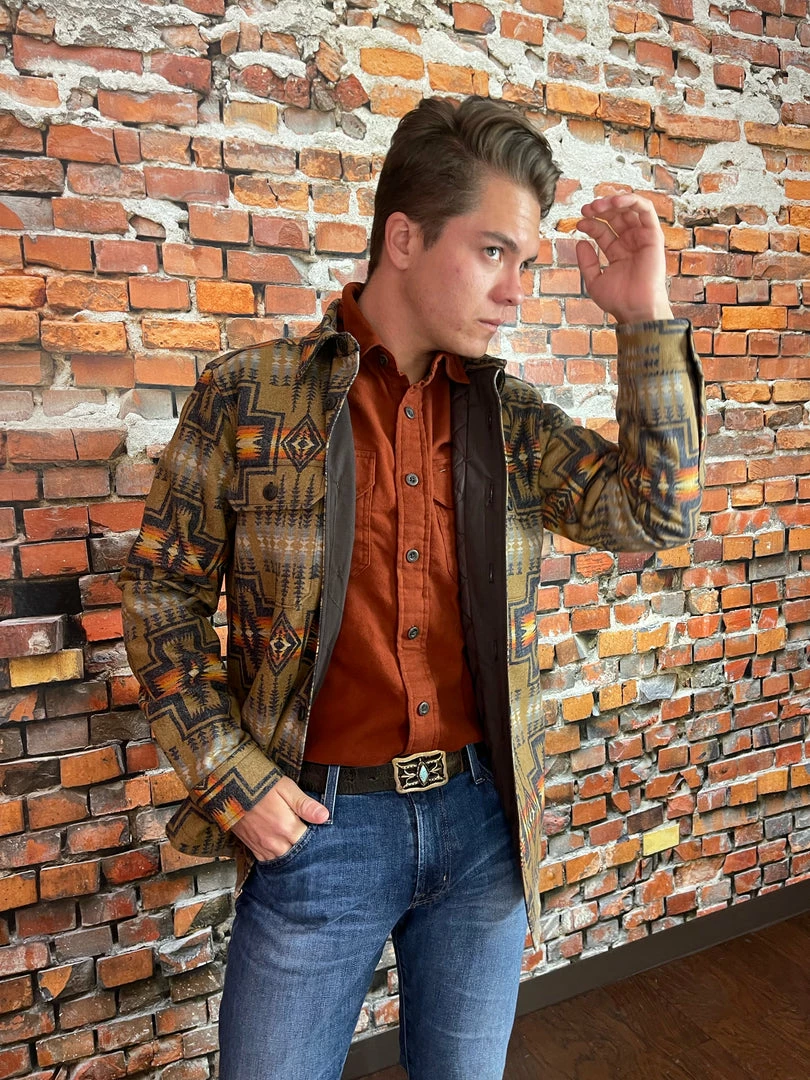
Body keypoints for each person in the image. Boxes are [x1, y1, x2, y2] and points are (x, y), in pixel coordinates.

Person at [120, 95, 704, 1080]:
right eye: (493, 251)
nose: (515, 291)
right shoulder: (251, 394)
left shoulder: (510, 419)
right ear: (404, 237)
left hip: (484, 828)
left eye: (526, 263)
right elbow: (161, 597)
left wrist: (645, 319)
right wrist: (230, 779)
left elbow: (655, 516)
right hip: (318, 831)